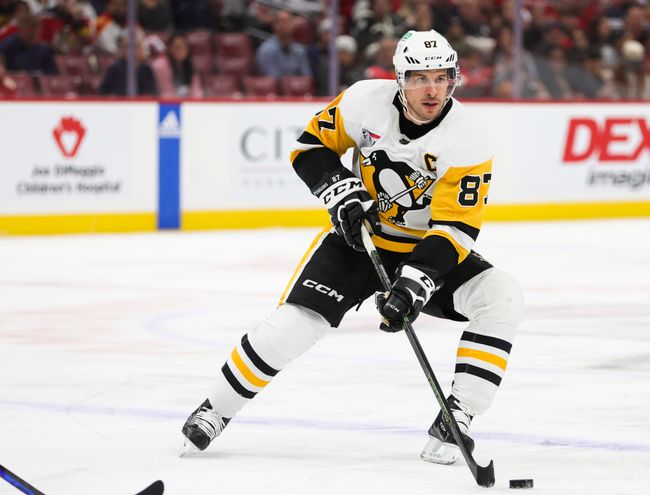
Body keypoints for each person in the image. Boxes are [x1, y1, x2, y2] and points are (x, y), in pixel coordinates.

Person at [180, 29, 523, 467]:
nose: (433, 89)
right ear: (400, 79)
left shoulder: (467, 140)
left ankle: (457, 417)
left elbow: (456, 228)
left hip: (427, 251)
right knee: (293, 327)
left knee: (502, 296)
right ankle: (215, 409)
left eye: (442, 77)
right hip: (358, 241)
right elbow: (310, 147)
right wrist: (339, 191)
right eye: (420, 78)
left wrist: (414, 284)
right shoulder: (364, 101)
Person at [254, 9, 311, 80]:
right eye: (283, 22)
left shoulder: (299, 51)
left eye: (290, 21)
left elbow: (307, 79)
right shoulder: (266, 51)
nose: (287, 25)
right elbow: (274, 81)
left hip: (297, 89)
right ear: (275, 26)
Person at [99, 31, 157, 95]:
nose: (132, 50)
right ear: (123, 49)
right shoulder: (115, 68)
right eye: (128, 46)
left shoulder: (146, 69)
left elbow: (152, 93)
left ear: (141, 48)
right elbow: (105, 91)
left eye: (135, 46)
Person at [150, 32, 202, 97]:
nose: (180, 50)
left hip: (187, 105)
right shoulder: (159, 66)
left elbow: (196, 93)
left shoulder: (191, 67)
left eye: (183, 47)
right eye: (176, 47)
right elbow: (162, 93)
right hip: (166, 104)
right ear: (169, 48)